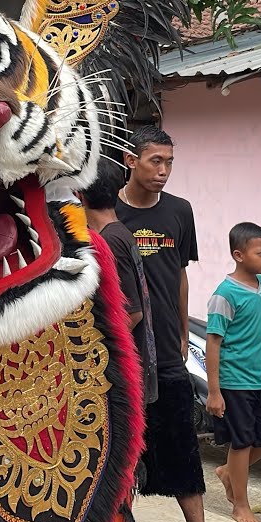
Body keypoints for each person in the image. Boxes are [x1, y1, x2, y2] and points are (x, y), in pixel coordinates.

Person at [116, 124, 206, 522]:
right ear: (131, 161)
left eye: (169, 162)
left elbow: (180, 275)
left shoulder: (180, 210)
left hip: (168, 350)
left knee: (182, 447)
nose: (164, 170)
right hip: (121, 352)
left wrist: (184, 326)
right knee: (121, 452)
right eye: (156, 161)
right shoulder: (107, 215)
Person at [205, 222, 261, 522]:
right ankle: (240, 504)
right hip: (234, 382)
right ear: (239, 255)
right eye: (260, 252)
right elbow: (214, 343)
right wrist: (215, 391)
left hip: (260, 379)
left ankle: (228, 473)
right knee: (242, 442)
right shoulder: (224, 295)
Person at [81, 158, 157, 406]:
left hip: (122, 369)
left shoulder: (110, 242)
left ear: (79, 194)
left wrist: (93, 348)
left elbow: (132, 313)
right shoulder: (119, 233)